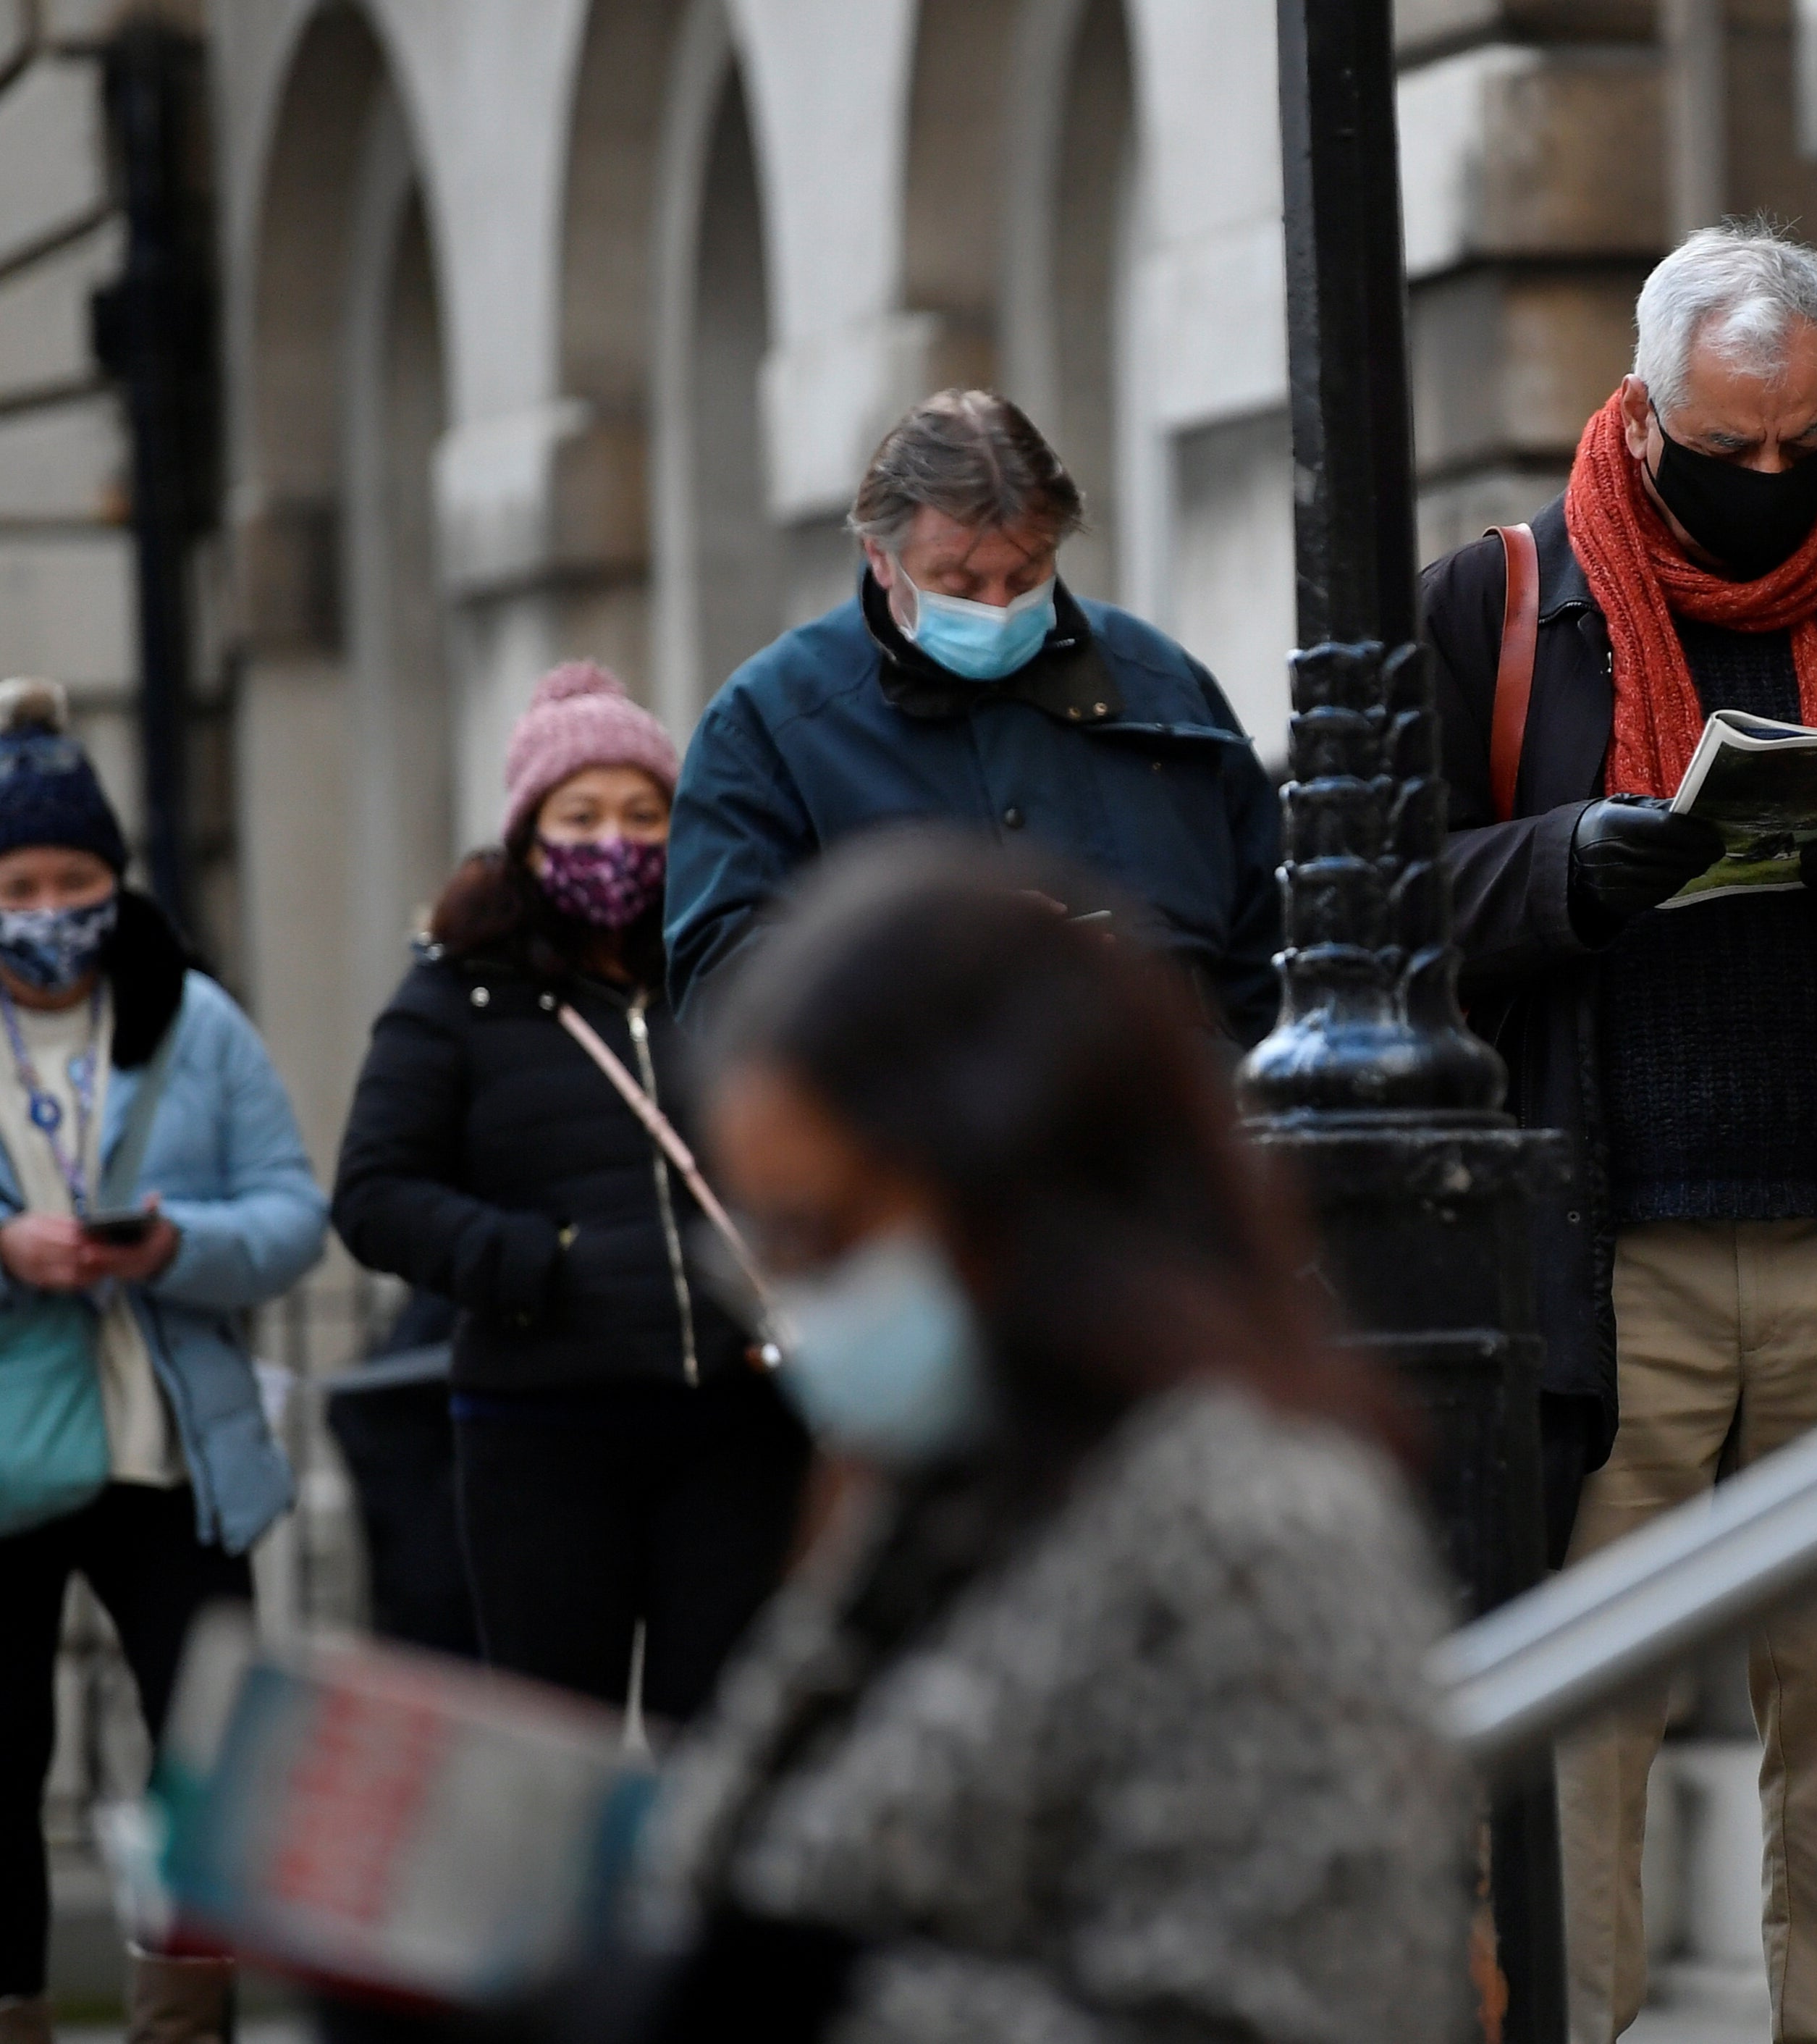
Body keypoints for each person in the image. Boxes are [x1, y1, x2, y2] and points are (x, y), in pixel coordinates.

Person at [1419, 224, 1817, 2044]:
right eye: (1731, 449)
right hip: (1599, 1254)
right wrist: (1569, 863)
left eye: (1804, 447)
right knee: (1576, 1735)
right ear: (1642, 418)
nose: (1770, 482)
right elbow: (1364, 911)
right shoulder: (1496, 602)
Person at [586, 834, 1467, 2044]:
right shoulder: (942, 1483)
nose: (796, 1299)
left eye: (822, 1235)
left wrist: (787, 2003)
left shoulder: (1257, 1527)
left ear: (1010, 1183)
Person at [330, 663, 808, 1728]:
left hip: (733, 1423)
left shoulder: (719, 971)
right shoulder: (456, 995)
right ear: (526, 833)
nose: (615, 842)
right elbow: (372, 1193)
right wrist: (532, 1259)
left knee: (721, 1737)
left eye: (644, 814)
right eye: (581, 814)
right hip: (542, 1433)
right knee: (559, 1746)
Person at [0, 681, 325, 2044]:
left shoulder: (197, 1023)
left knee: (209, 1762)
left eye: (75, 876)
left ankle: (182, 2026)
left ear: (116, 880)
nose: (51, 905)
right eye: (19, 880)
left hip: (173, 1458)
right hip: (12, 1455)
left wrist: (173, 1243)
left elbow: (295, 1211)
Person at [663, 390, 1282, 1045]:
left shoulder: (1161, 682)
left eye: (1025, 575)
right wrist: (925, 963)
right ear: (880, 556)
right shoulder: (769, 721)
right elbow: (719, 993)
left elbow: (1273, 945)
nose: (996, 606)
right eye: (959, 584)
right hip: (914, 1135)